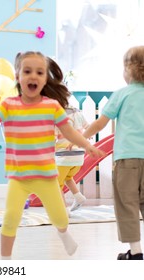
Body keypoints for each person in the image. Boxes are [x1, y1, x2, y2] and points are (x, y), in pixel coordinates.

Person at [0, 51, 105, 259]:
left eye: (39, 72)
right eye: (27, 71)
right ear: (18, 77)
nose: (33, 76)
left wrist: (87, 145)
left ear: (45, 79)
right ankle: (5, 261)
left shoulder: (51, 106)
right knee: (10, 219)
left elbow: (69, 132)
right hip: (18, 177)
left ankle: (64, 235)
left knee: (60, 217)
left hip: (46, 176)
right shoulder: (9, 105)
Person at [81, 46, 144, 260]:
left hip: (127, 159)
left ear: (127, 70)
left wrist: (81, 137)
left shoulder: (122, 94)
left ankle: (135, 252)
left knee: (127, 204)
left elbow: (100, 123)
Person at [55, 105, 89, 212]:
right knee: (68, 177)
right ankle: (78, 197)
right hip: (78, 156)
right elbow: (88, 127)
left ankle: (63, 211)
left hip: (63, 156)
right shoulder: (78, 113)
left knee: (56, 184)